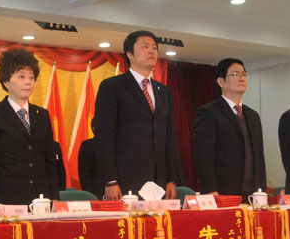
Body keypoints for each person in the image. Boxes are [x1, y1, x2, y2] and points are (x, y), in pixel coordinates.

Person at [93, 30, 183, 200]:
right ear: (130, 54)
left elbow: (170, 137)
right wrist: (110, 180)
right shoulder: (112, 87)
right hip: (125, 178)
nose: (152, 51)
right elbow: (104, 136)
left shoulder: (164, 91)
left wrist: (172, 178)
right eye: (145, 47)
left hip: (160, 180)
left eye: (154, 48)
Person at [0, 48, 58, 204]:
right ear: (6, 81)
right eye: (21, 76)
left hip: (41, 201)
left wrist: (55, 198)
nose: (28, 82)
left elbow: (50, 161)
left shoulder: (42, 115)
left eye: (31, 77)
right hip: (5, 201)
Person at [193, 58, 267, 200]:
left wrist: (262, 190)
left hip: (254, 193)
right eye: (235, 74)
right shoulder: (209, 112)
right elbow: (204, 156)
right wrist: (210, 190)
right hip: (224, 190)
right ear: (221, 81)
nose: (242, 78)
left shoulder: (253, 115)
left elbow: (259, 158)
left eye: (244, 74)